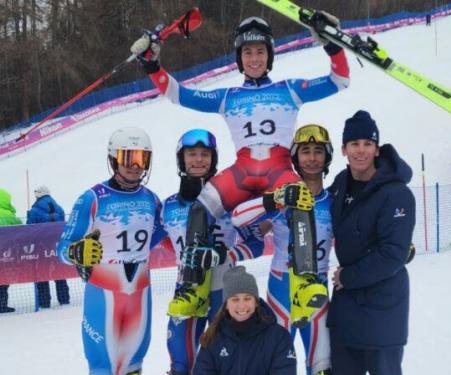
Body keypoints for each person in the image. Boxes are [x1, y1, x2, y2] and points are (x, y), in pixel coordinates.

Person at [130, 14, 350, 327]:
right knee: (200, 208)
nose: (255, 58)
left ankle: (303, 282)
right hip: (242, 171)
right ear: (239, 58)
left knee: (302, 200)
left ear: (270, 55)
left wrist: (332, 46)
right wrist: (152, 65)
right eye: (248, 53)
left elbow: (339, 80)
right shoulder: (228, 97)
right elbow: (178, 94)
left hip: (278, 169)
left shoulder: (290, 89)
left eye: (260, 51)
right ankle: (194, 289)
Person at [57, 127, 167, 375]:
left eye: (141, 158)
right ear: (112, 159)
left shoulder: (151, 200)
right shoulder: (92, 199)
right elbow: (63, 245)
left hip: (139, 300)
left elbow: (163, 235)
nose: (134, 165)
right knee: (102, 372)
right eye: (127, 157)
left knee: (132, 371)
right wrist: (76, 252)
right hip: (103, 297)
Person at [159, 129, 265, 375]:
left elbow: (257, 243)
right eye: (192, 154)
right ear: (182, 159)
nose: (198, 159)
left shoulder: (232, 202)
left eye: (205, 154)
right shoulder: (168, 207)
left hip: (225, 294)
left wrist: (225, 255)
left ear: (213, 160)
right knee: (181, 366)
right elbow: (155, 243)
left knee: (225, 366)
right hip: (188, 294)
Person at [231, 124, 335, 375]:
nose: (313, 158)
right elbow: (237, 217)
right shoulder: (284, 195)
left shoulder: (334, 202)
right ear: (295, 157)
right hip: (280, 293)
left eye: (319, 151)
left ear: (327, 156)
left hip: (316, 294)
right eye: (306, 151)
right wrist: (275, 198)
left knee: (322, 374)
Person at [327, 111, 416, 375]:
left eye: (368, 143)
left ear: (377, 148)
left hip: (383, 310)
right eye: (354, 144)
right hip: (347, 312)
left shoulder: (397, 194)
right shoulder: (339, 186)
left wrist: (349, 277)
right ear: (344, 148)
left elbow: (392, 254)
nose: (361, 150)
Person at [27, 185, 70, 308]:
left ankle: (44, 301)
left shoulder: (34, 211)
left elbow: (29, 228)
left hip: (40, 246)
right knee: (59, 272)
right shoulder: (59, 209)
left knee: (41, 273)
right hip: (56, 245)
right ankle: (64, 299)